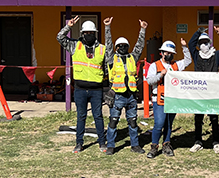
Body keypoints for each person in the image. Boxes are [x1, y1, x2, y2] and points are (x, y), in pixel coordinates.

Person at [57, 16, 110, 153]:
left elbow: (106, 66)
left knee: (98, 116)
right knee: (81, 116)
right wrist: (68, 26)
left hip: (96, 90)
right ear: (82, 34)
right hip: (80, 89)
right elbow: (60, 38)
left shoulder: (102, 49)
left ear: (95, 34)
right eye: (86, 33)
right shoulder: (75, 46)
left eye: (91, 33)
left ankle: (102, 143)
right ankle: (79, 143)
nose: (88, 35)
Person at [103, 17, 147, 155]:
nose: (123, 48)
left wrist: (143, 30)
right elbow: (108, 45)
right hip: (117, 96)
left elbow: (139, 46)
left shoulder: (132, 58)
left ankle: (135, 145)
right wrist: (107, 28)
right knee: (113, 122)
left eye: (125, 46)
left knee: (133, 122)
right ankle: (111, 146)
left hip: (131, 96)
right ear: (117, 48)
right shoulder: (111, 58)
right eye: (120, 46)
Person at [145, 38, 192, 158]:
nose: (169, 55)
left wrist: (184, 47)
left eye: (171, 53)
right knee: (159, 123)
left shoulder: (176, 65)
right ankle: (154, 147)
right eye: (167, 53)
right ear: (161, 53)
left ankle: (166, 144)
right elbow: (149, 81)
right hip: (159, 99)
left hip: (173, 99)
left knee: (169, 123)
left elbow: (188, 61)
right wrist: (160, 74)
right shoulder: (155, 65)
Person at [188, 27, 219, 153]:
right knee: (198, 118)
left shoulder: (215, 55)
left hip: (212, 92)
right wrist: (198, 32)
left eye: (206, 42)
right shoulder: (196, 55)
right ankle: (198, 141)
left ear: (210, 44)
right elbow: (190, 44)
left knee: (214, 118)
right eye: (201, 43)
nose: (204, 45)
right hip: (199, 92)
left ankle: (216, 142)